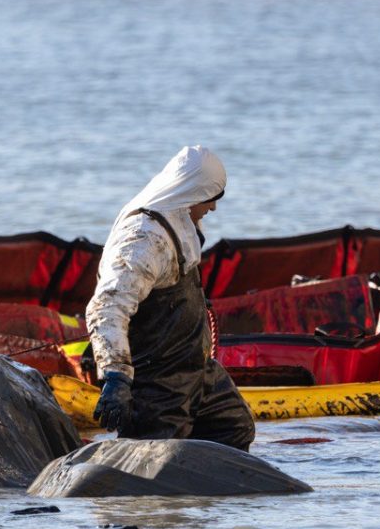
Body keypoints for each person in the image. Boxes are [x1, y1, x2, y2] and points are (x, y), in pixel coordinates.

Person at [86, 145, 255, 450]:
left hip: (195, 369)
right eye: (211, 199)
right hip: (156, 384)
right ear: (193, 191)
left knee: (234, 428)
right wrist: (116, 376)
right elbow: (106, 307)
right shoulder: (143, 240)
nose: (213, 208)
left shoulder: (181, 216)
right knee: (156, 464)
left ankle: (205, 500)